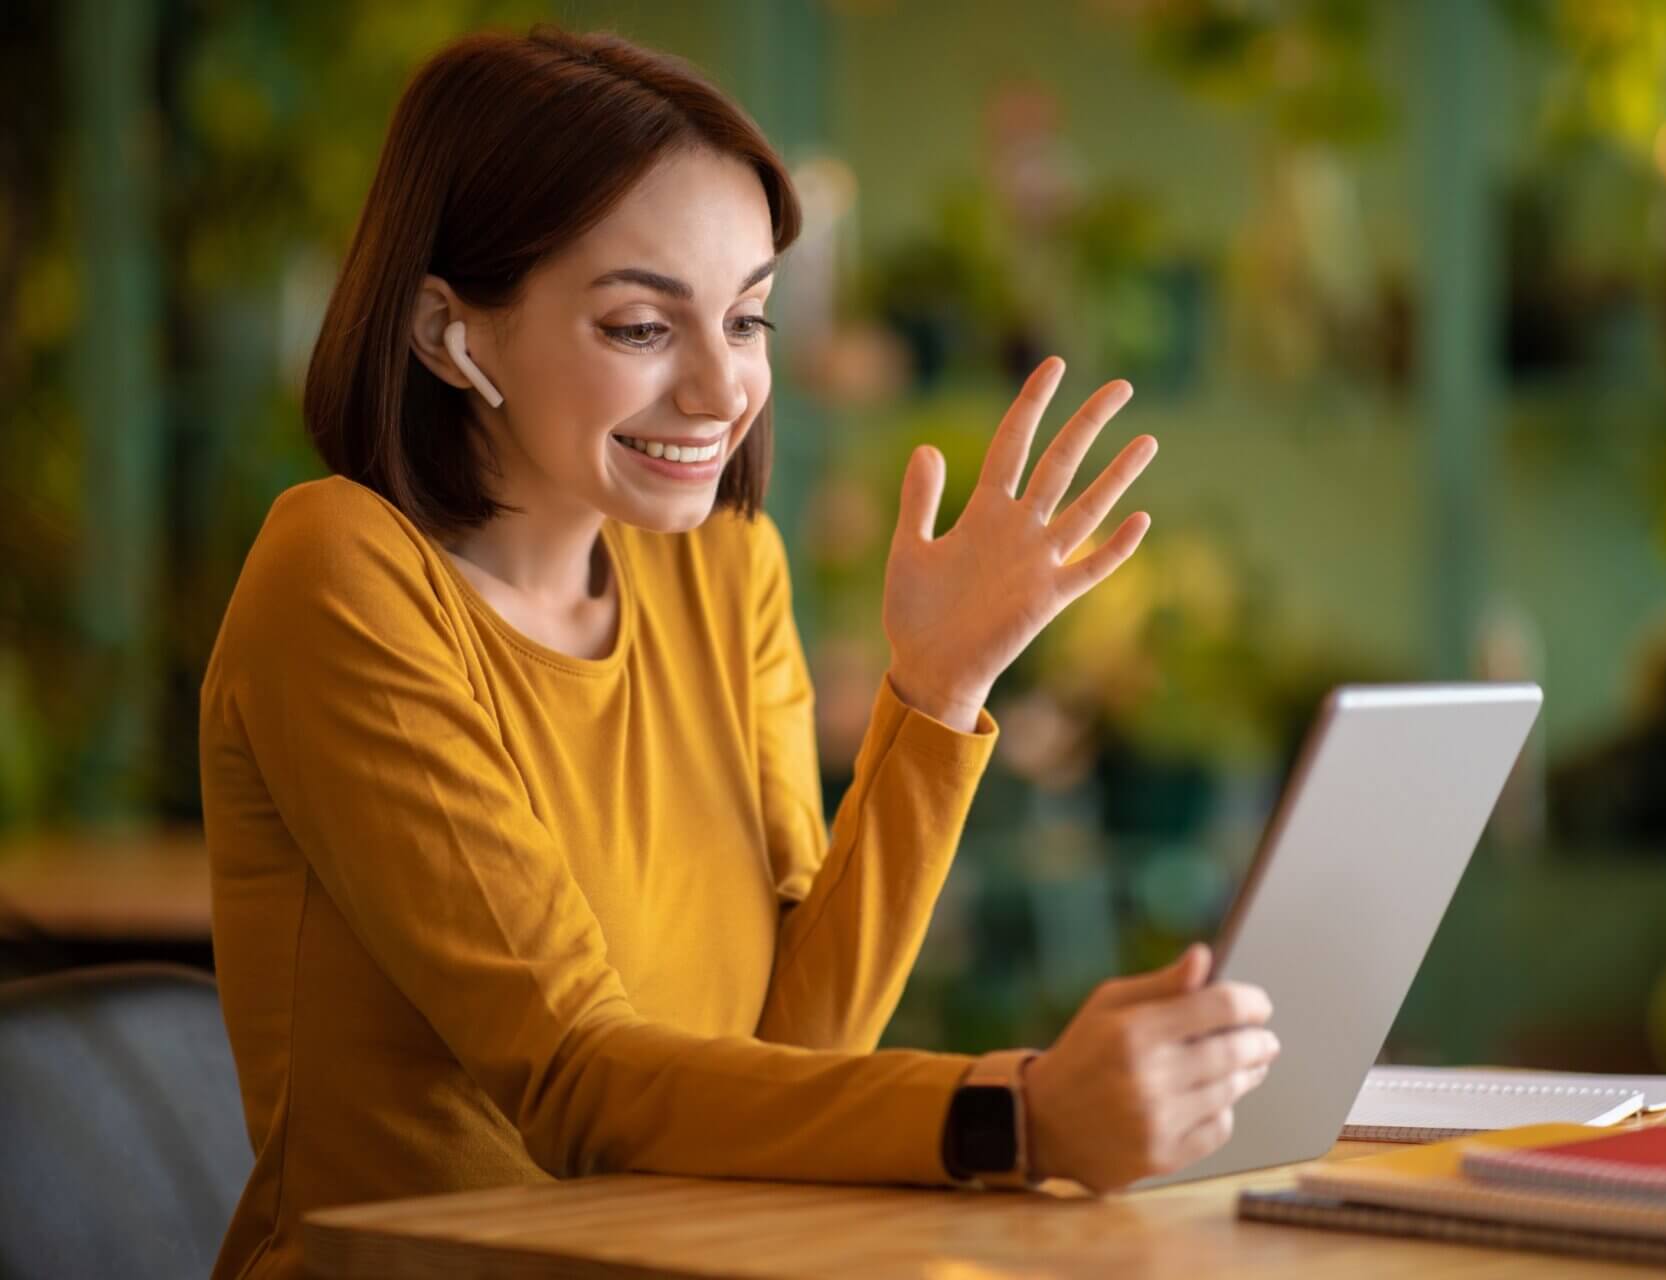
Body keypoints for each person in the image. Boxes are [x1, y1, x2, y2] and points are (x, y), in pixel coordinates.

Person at [198, 25, 1278, 1280]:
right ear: (452, 334)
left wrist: (939, 691)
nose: (724, 391)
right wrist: (1015, 1110)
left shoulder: (721, 566)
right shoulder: (341, 570)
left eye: (749, 317)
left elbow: (794, 1052)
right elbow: (572, 1076)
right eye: (643, 328)